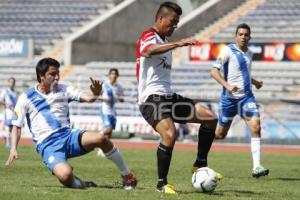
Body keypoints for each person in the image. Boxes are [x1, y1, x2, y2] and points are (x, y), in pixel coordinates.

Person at [5, 58, 137, 189]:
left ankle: (127, 176)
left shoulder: (64, 89)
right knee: (65, 176)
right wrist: (13, 148)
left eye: (58, 73)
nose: (56, 77)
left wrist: (95, 94)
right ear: (41, 76)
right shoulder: (26, 97)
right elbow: (16, 125)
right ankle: (80, 183)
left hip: (68, 136)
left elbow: (87, 98)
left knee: (101, 138)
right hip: (48, 145)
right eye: (52, 74)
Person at [136, 2, 222, 194]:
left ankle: (200, 164)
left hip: (168, 97)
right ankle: (161, 184)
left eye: (177, 23)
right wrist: (178, 43)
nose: (175, 26)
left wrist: (174, 44)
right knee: (169, 134)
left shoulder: (164, 41)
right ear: (160, 18)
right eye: (172, 22)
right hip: (151, 99)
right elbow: (148, 50)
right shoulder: (148, 35)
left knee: (209, 118)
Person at [211, 23, 269, 178]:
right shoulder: (227, 51)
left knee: (256, 127)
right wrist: (227, 85)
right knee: (219, 135)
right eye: (241, 34)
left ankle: (256, 167)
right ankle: (201, 150)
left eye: (246, 35)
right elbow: (214, 71)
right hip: (228, 100)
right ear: (236, 36)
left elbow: (245, 74)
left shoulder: (249, 53)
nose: (243, 37)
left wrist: (255, 82)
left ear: (250, 37)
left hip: (246, 98)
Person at [97, 68, 124, 156]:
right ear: (109, 75)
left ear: (117, 76)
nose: (114, 75)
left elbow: (121, 98)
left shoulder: (119, 87)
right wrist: (104, 99)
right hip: (105, 110)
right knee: (107, 129)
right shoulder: (104, 84)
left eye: (115, 74)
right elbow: (95, 95)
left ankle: (102, 150)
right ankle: (96, 136)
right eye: (112, 74)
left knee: (110, 132)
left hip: (112, 111)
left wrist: (120, 99)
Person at [0, 77, 18, 147]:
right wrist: (6, 104)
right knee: (8, 126)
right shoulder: (5, 91)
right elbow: (0, 100)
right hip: (7, 111)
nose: (12, 83)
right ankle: (8, 142)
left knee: (13, 126)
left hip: (14, 111)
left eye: (13, 82)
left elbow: (16, 102)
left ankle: (9, 141)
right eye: (10, 82)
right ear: (8, 83)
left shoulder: (15, 92)